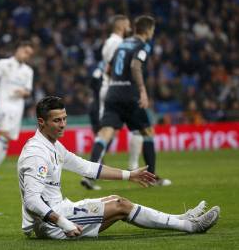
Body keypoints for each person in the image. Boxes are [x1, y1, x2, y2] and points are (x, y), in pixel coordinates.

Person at [17, 96, 220, 239]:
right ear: (41, 122)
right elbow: (32, 200)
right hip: (52, 223)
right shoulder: (37, 154)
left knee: (116, 200)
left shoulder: (52, 145)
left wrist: (128, 175)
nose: (63, 124)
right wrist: (63, 222)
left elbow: (88, 168)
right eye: (57, 120)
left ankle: (180, 219)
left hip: (58, 213)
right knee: (121, 205)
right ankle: (190, 226)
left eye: (64, 119)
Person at [89, 15, 171, 187]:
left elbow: (109, 68)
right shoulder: (142, 45)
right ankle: (152, 178)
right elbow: (135, 66)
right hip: (129, 94)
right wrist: (142, 90)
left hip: (113, 92)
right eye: (153, 30)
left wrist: (117, 83)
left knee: (105, 133)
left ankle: (89, 173)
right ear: (148, 30)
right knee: (147, 132)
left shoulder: (122, 45)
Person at [84, 15, 144, 190]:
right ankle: (128, 167)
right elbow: (116, 67)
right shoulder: (119, 43)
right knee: (124, 129)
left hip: (110, 89)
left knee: (109, 132)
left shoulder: (109, 42)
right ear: (121, 26)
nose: (130, 28)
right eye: (127, 25)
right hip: (116, 89)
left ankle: (93, 171)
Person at [0, 41, 34, 180]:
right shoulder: (3, 63)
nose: (27, 55)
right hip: (3, 103)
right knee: (4, 134)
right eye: (25, 52)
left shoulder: (28, 71)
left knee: (7, 139)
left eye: (29, 54)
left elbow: (28, 91)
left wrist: (22, 91)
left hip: (17, 107)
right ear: (19, 49)